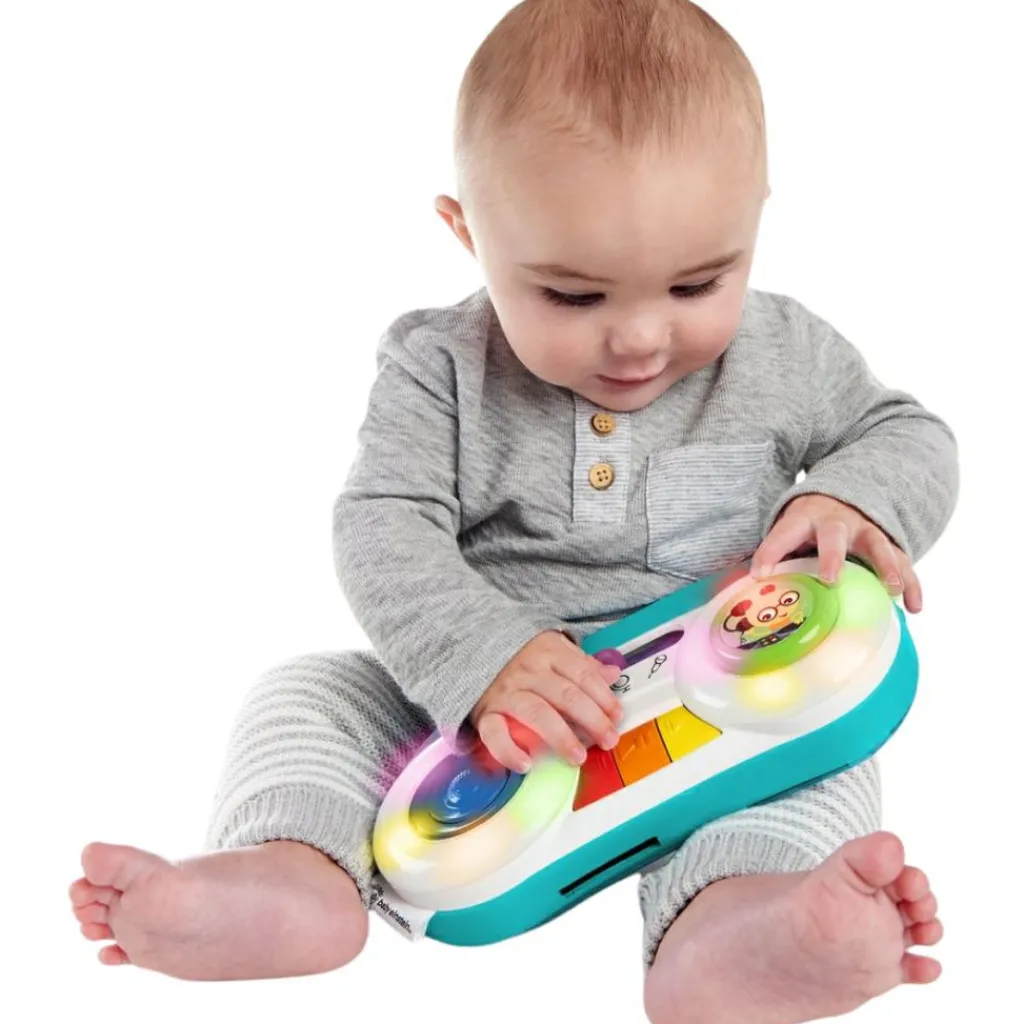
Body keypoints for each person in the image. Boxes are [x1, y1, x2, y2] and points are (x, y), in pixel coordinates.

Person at [68, 2, 957, 1021]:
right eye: (573, 297)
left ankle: (743, 928)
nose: (640, 339)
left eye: (696, 283)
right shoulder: (439, 369)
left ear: (754, 216)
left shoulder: (786, 351)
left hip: (724, 695)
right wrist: (484, 659)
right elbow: (381, 522)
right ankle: (293, 870)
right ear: (468, 232)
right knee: (310, 691)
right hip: (469, 713)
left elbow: (907, 432)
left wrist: (854, 493)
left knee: (822, 756)